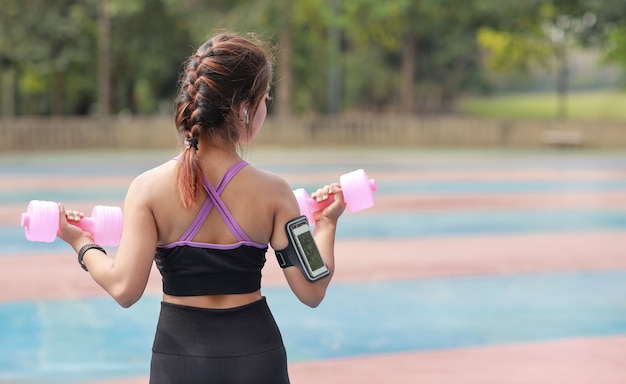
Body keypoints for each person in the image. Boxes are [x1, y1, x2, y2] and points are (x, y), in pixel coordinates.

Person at [56, 32, 346, 384]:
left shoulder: (147, 189)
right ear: (245, 107)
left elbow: (124, 289)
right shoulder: (275, 193)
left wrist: (81, 243)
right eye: (265, 99)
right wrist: (327, 224)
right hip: (257, 358)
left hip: (179, 362)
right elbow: (313, 289)